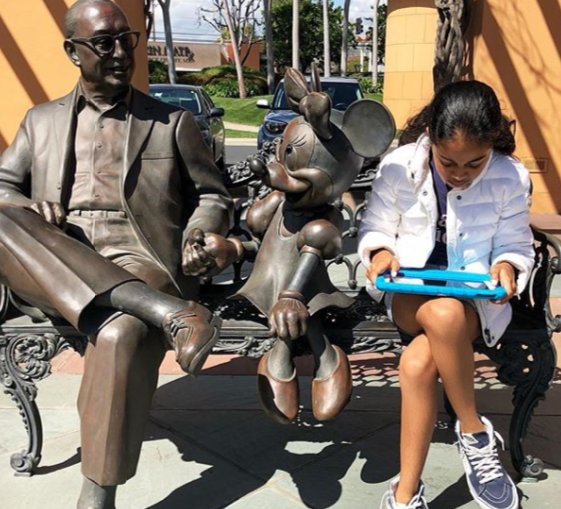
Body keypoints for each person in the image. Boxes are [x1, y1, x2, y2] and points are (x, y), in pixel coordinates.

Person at [0, 1, 234, 508]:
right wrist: (26, 203)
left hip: (135, 254)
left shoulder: (170, 122)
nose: (119, 53)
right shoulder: (39, 121)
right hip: (51, 257)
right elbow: (2, 188)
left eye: (125, 39)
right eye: (102, 43)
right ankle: (171, 314)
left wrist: (199, 231)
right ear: (72, 51)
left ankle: (97, 493)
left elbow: (213, 195)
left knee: (120, 329)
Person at [358, 80, 534, 509]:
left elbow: (516, 241)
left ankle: (404, 495)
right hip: (409, 293)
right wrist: (380, 251)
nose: (460, 173)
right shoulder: (399, 166)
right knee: (438, 314)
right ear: (429, 138)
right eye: (447, 161)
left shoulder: (510, 176)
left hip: (471, 298)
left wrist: (507, 265)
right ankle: (474, 431)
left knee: (417, 363)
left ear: (493, 143)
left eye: (475, 163)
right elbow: (376, 226)